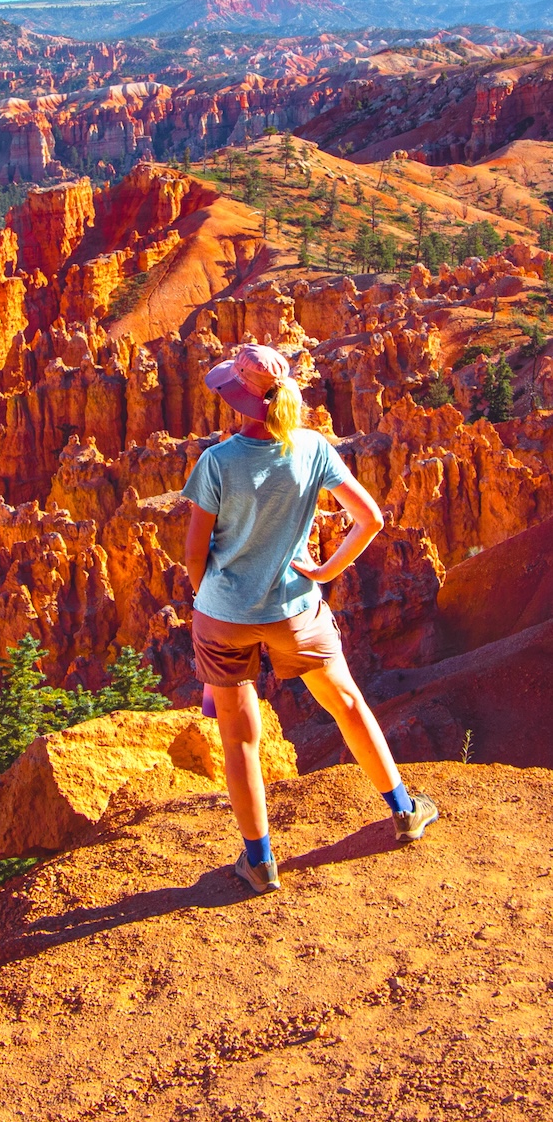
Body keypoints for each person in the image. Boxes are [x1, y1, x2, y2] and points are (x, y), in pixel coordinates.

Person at [183, 343, 439, 895]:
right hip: (297, 609)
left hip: (224, 617)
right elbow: (369, 519)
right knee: (347, 703)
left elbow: (193, 554)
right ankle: (403, 810)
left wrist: (214, 597)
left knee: (240, 739)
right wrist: (323, 571)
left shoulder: (217, 463)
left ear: (238, 400)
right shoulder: (314, 448)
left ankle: (260, 861)